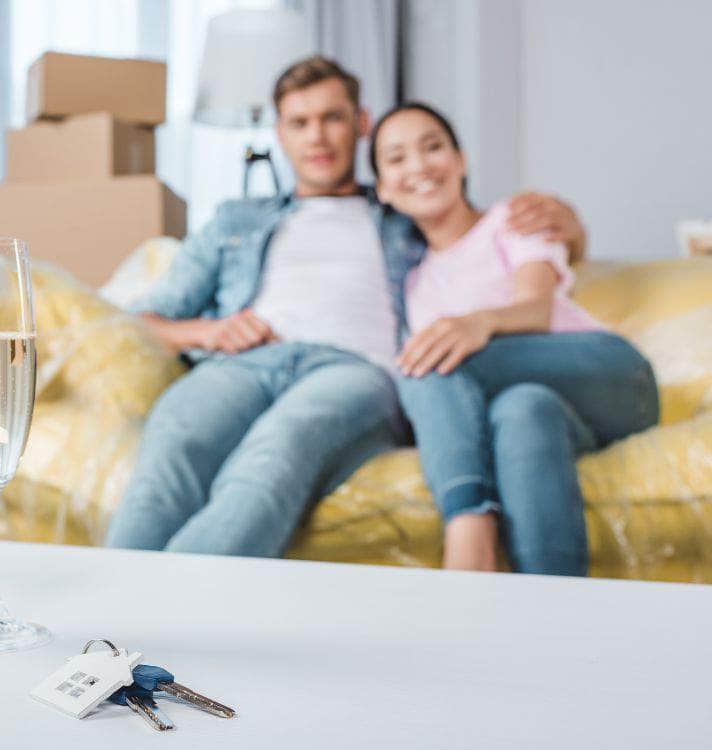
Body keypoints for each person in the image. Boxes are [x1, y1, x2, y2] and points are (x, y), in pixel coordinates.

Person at [104, 56, 588, 568]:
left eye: (332, 118)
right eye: (300, 123)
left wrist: (571, 225)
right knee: (169, 454)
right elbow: (138, 323)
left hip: (353, 372)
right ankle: (103, 635)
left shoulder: (402, 210)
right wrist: (211, 330)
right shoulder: (237, 219)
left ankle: (163, 620)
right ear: (280, 134)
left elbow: (488, 239)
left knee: (272, 458)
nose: (317, 137)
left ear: (360, 124)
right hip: (242, 363)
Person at [371, 102, 659, 574]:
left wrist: (476, 323)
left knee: (430, 357)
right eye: (397, 158)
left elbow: (537, 309)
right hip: (543, 405)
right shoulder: (414, 285)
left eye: (433, 147)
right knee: (522, 410)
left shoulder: (512, 218)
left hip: (608, 373)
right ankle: (551, 616)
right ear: (382, 189)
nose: (419, 166)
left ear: (461, 161)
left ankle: (468, 530)